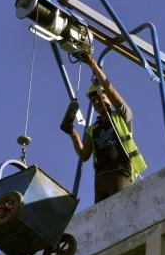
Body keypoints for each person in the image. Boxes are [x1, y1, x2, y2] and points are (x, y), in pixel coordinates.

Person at [62, 54, 147, 203]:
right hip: (100, 178)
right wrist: (73, 134)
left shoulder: (122, 116)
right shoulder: (93, 128)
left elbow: (110, 89)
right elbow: (84, 155)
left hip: (119, 172)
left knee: (121, 207)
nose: (96, 101)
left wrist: (92, 64)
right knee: (102, 214)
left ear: (107, 97)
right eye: (93, 100)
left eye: (99, 97)